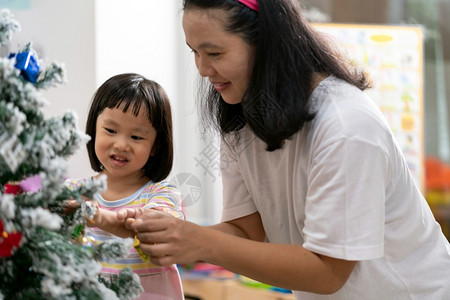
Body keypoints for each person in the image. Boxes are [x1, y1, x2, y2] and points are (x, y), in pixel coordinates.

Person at [118, 1, 450, 299]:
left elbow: (327, 271)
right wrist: (168, 236)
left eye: (214, 53)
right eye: (194, 52)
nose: (203, 69)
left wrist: (199, 242)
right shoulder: (242, 117)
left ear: (266, 44)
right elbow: (246, 232)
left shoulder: (347, 127)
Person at [65, 73, 184, 300]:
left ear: (155, 146)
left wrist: (99, 217)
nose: (121, 144)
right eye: (110, 131)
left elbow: (157, 231)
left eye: (136, 137)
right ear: (93, 129)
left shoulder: (163, 194)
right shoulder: (73, 191)